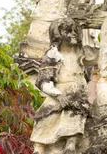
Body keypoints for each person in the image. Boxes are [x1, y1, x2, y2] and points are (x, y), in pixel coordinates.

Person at [31, 18, 90, 154]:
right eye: (68, 31)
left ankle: (70, 144)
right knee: (45, 114)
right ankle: (39, 147)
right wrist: (58, 95)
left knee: (76, 109)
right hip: (58, 91)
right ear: (59, 35)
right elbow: (43, 81)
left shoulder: (82, 54)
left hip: (77, 93)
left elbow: (105, 51)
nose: (73, 34)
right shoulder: (53, 55)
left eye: (75, 31)